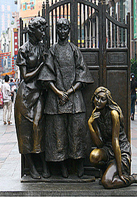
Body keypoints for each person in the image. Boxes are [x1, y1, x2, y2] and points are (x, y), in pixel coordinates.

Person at [38, 18, 94, 178]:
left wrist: (68, 92)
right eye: (59, 28)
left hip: (74, 98)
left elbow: (83, 74)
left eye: (65, 29)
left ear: (69, 31)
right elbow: (47, 77)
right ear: (57, 31)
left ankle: (79, 165)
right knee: (58, 134)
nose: (62, 31)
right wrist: (58, 93)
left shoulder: (74, 50)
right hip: (55, 100)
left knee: (77, 132)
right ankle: (62, 166)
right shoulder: (52, 50)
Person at [88, 87, 137, 189]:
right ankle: (108, 170)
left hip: (121, 150)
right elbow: (99, 144)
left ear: (107, 101)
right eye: (97, 98)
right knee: (93, 156)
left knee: (107, 182)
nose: (99, 101)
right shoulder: (96, 115)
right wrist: (90, 124)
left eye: (103, 99)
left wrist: (121, 173)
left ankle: (133, 178)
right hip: (108, 149)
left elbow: (115, 141)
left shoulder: (113, 114)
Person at [15, 17, 50, 179]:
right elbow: (25, 76)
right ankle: (31, 166)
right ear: (33, 31)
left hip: (39, 93)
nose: (43, 33)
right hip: (26, 94)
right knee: (25, 131)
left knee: (38, 126)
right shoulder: (24, 49)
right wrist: (41, 66)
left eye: (44, 29)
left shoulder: (42, 47)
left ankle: (43, 164)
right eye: (40, 29)